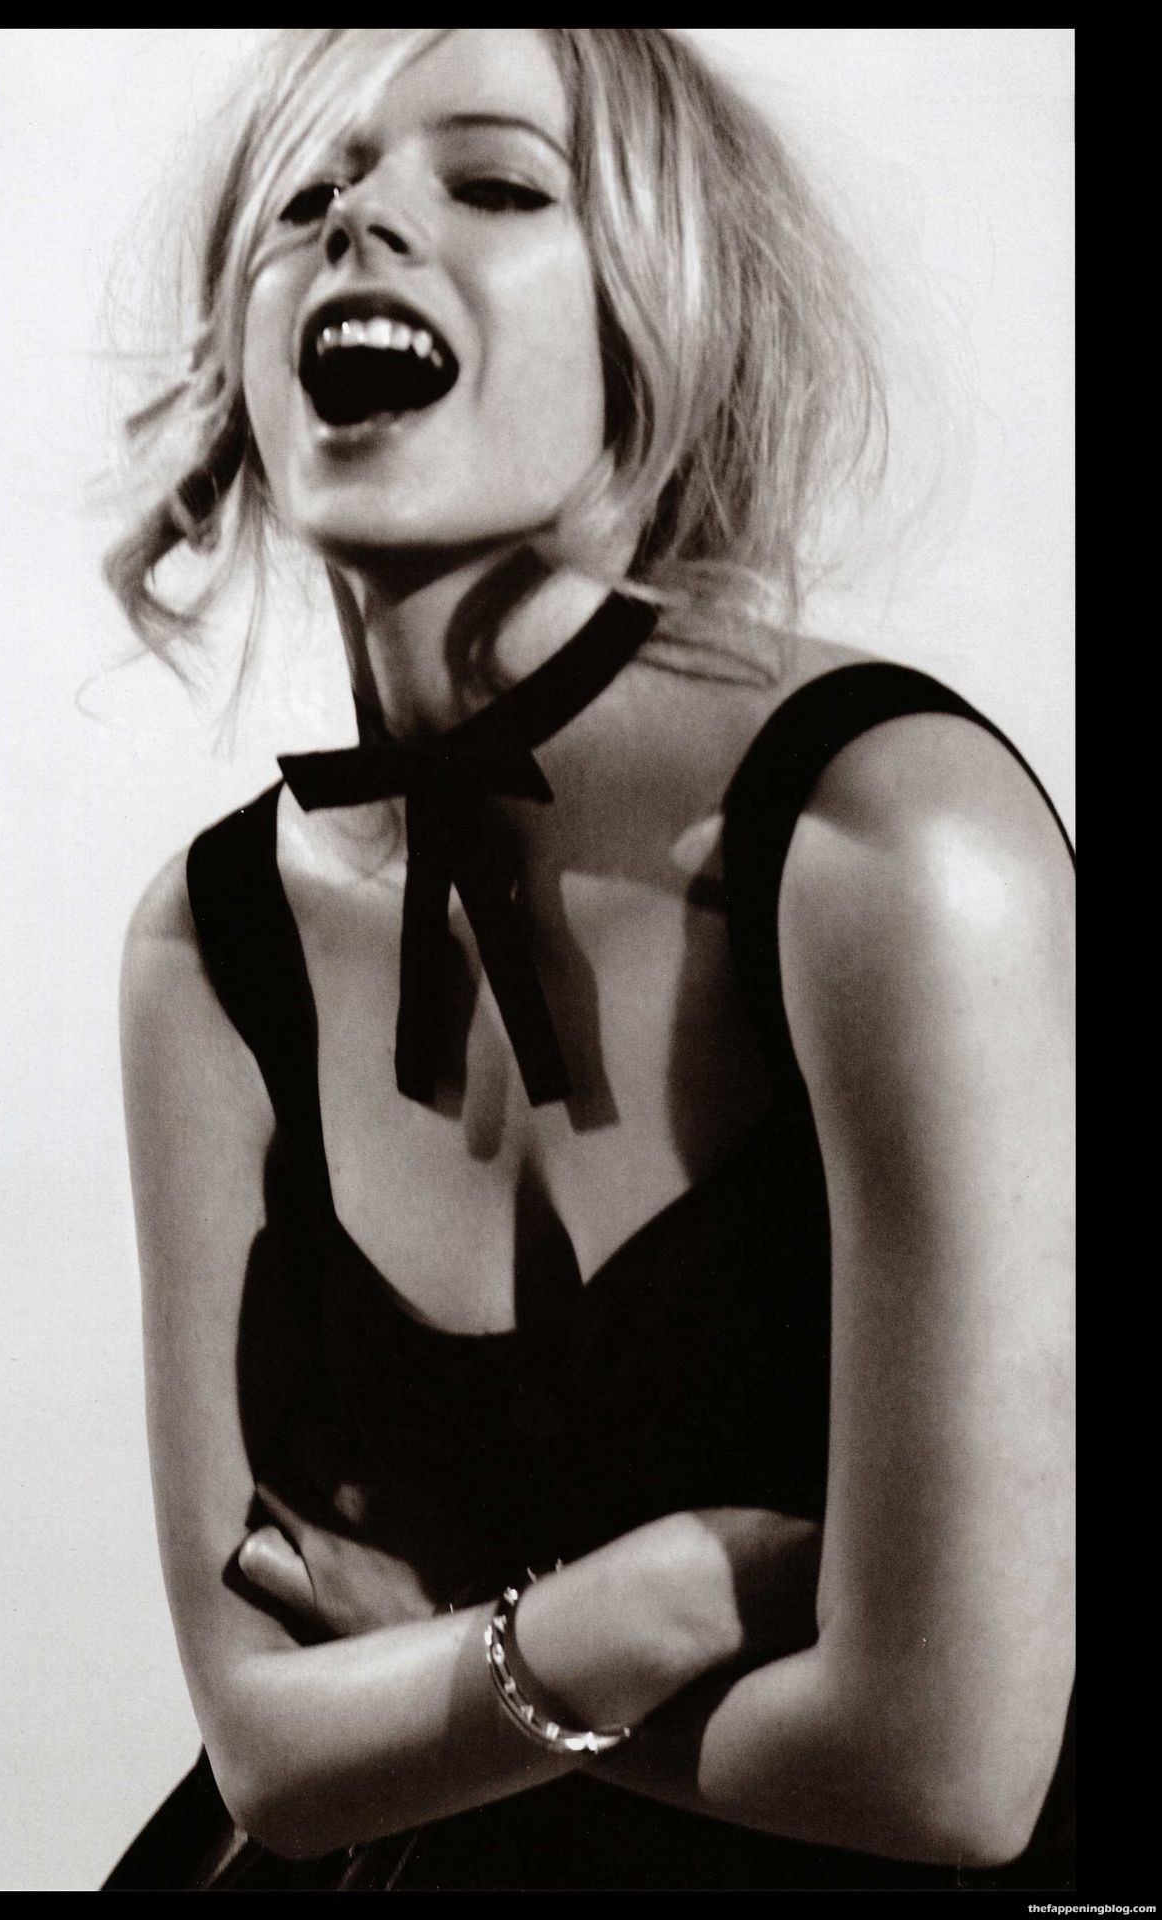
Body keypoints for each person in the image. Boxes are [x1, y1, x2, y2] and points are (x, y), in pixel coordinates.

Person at [101, 28, 1074, 1892]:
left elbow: (945, 1771)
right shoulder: (207, 946)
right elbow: (269, 1758)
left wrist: (446, 1657)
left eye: (492, 182)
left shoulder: (893, 843)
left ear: (664, 326)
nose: (359, 223)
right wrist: (637, 1607)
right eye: (305, 198)